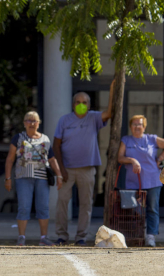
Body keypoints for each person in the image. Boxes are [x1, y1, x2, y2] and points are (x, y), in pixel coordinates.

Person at [53, 81, 114, 246]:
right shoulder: (64, 120)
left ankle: (81, 237)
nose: (81, 105)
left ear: (89, 105)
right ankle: (62, 236)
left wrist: (112, 90)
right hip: (67, 170)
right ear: (73, 105)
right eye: (78, 102)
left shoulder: (93, 117)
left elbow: (109, 113)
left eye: (84, 102)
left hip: (87, 169)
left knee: (86, 204)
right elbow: (56, 145)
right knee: (62, 203)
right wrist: (61, 170)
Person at [5, 111, 62, 246]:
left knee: (43, 207)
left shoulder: (46, 139)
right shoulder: (18, 138)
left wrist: (59, 175)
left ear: (39, 123)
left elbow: (52, 159)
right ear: (24, 123)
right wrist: (7, 178)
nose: (31, 123)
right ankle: (21, 237)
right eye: (28, 120)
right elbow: (10, 159)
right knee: (24, 207)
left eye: (34, 121)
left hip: (42, 178)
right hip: (23, 177)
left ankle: (43, 237)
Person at [117, 115, 164, 247]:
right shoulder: (126, 140)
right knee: (134, 210)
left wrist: (160, 158)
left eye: (139, 124)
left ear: (144, 127)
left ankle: (151, 237)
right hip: (133, 182)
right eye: (134, 124)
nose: (137, 127)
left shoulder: (151, 139)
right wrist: (132, 160)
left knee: (152, 209)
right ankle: (136, 236)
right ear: (130, 127)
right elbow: (120, 158)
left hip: (152, 181)